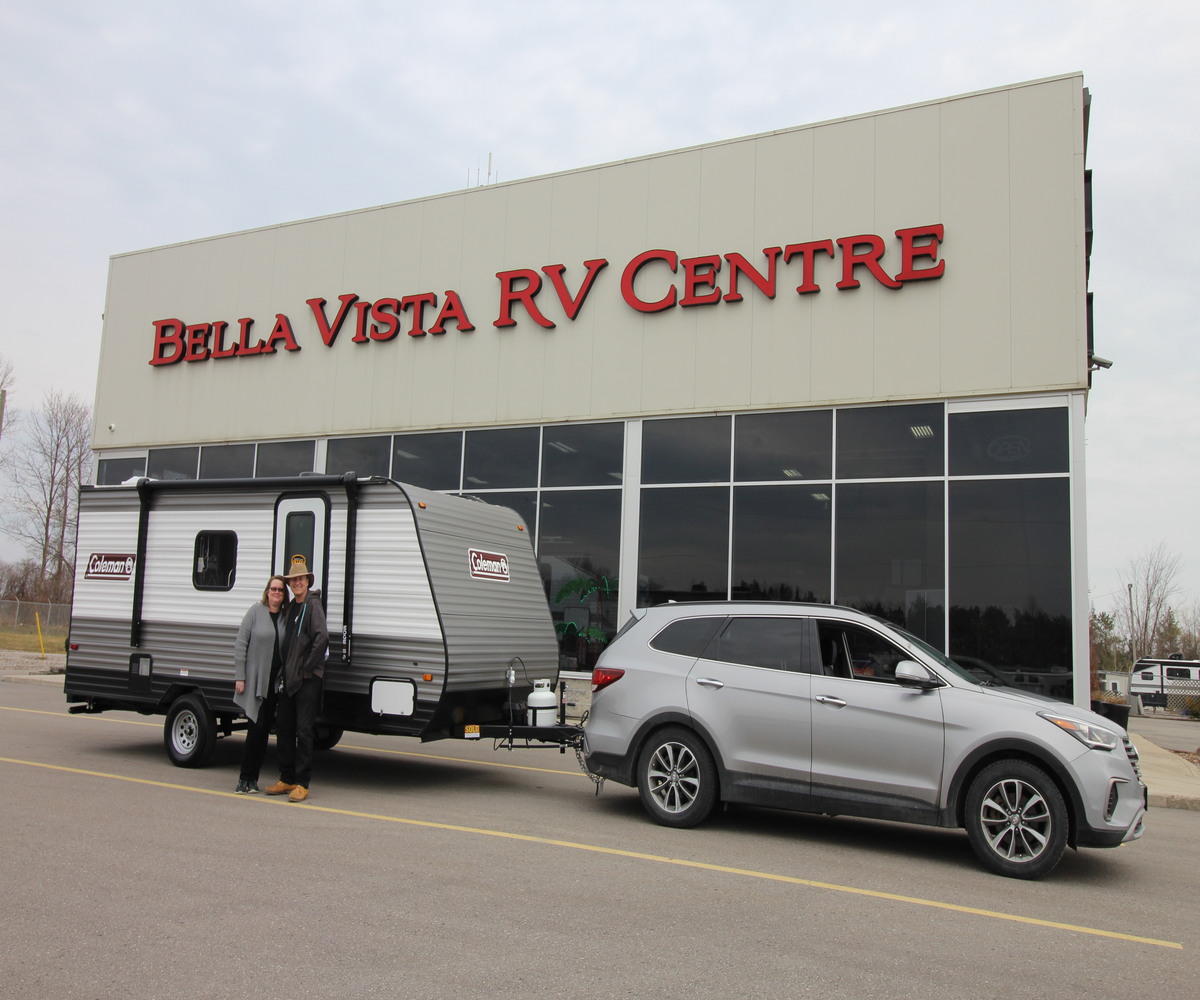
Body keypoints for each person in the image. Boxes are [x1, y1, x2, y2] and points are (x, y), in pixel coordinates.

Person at [264, 555, 328, 803]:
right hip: (289, 680)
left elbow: (322, 638)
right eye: (294, 580)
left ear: (307, 581)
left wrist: (307, 669)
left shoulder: (313, 605)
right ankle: (287, 778)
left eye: (301, 579)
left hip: (307, 679)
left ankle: (302, 783)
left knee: (304, 731)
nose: (297, 583)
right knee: (284, 728)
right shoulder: (291, 608)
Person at [232, 575, 288, 793]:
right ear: (267, 592)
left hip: (274, 684)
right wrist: (240, 676)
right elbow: (241, 643)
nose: (276, 593)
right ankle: (243, 779)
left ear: (284, 595)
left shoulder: (284, 617)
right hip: (256, 682)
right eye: (273, 589)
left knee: (264, 731)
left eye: (280, 590)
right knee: (255, 729)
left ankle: (253, 779)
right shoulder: (255, 612)